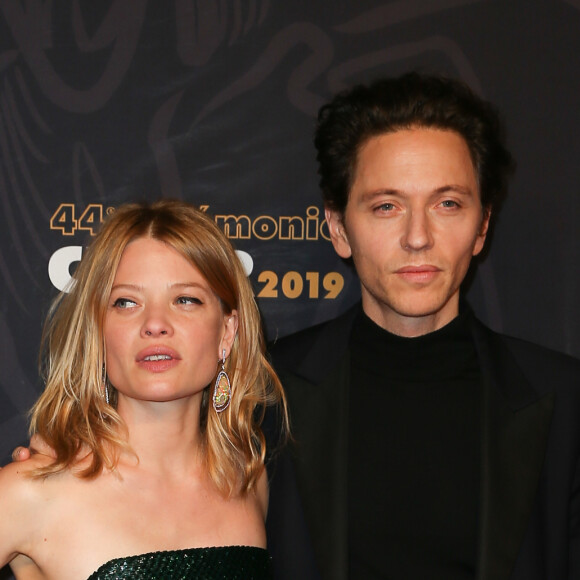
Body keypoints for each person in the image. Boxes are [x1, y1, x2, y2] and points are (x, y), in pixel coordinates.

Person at [265, 73, 580, 580]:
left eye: (447, 204)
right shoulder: (265, 393)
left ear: (481, 227)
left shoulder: (564, 400)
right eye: (387, 206)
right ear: (339, 229)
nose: (418, 237)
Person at [0, 199, 287, 579]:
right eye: (126, 302)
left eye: (185, 300)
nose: (155, 324)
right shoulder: (31, 492)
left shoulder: (249, 483)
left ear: (227, 332)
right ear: (98, 332)